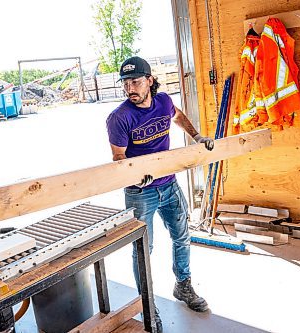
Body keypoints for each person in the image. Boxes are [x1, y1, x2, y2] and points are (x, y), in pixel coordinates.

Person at [106, 56, 213, 332]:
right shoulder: (120, 118)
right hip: (140, 193)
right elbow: (118, 158)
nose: (131, 87)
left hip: (169, 184)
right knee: (143, 249)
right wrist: (137, 175)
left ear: (150, 81)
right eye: (126, 83)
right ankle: (147, 303)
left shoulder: (163, 101)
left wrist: (197, 137)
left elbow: (177, 116)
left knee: (182, 236)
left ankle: (183, 286)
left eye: (136, 81)